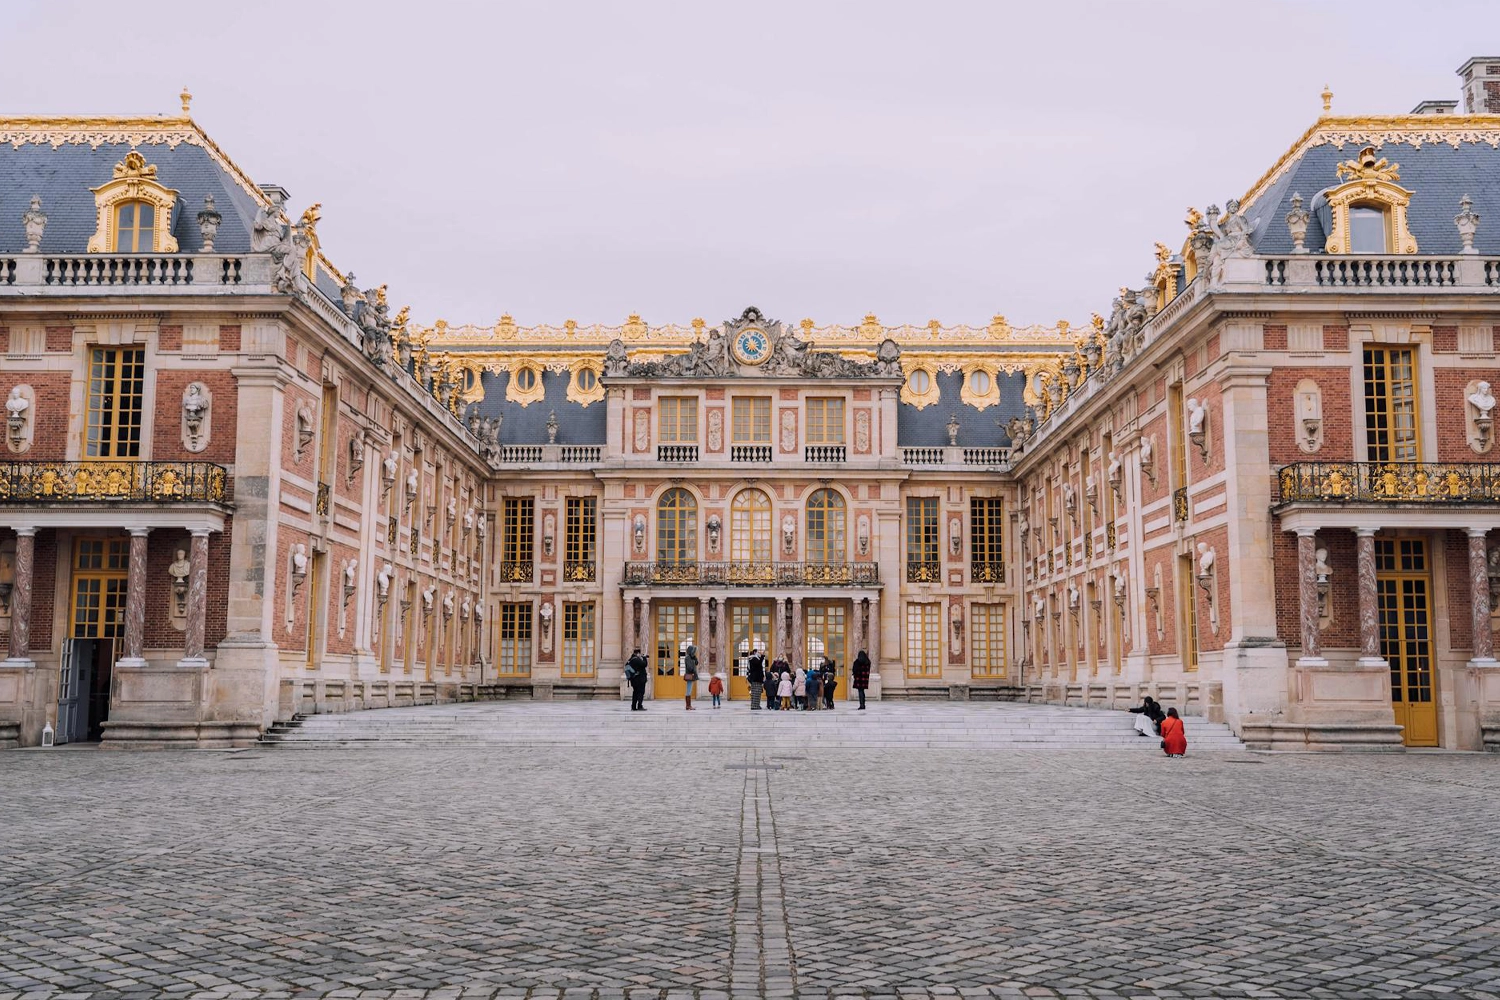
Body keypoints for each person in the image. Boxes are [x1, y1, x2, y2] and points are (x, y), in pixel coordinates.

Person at [625, 647, 649, 711]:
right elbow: (644, 664)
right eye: (639, 654)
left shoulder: (630, 659)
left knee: (635, 693)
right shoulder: (637, 660)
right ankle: (639, 706)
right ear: (638, 653)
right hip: (639, 680)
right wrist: (644, 658)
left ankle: (633, 706)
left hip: (633, 680)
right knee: (641, 692)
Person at [683, 642, 699, 711]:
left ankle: (689, 705)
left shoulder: (691, 657)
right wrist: (693, 671)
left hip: (692, 675)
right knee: (688, 691)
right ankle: (688, 705)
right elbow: (690, 667)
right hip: (690, 675)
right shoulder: (687, 658)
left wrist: (695, 659)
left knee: (689, 690)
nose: (694, 652)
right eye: (693, 651)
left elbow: (696, 663)